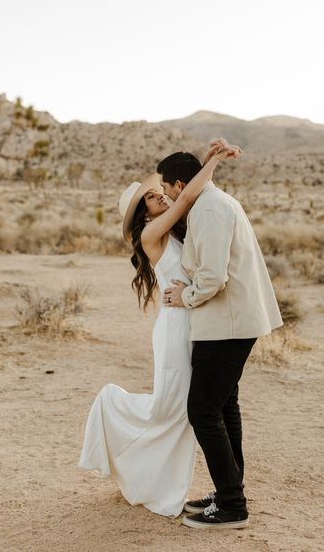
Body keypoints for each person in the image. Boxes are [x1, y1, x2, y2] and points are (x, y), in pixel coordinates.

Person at [77, 141, 239, 518]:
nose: (159, 198)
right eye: (150, 198)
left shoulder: (176, 232)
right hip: (175, 328)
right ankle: (113, 410)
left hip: (192, 320)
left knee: (186, 411)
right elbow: (183, 200)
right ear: (142, 213)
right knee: (174, 409)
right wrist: (212, 162)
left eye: (157, 191)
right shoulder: (151, 235)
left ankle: (177, 484)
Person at [159, 148, 283, 530]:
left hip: (226, 324)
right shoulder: (215, 202)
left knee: (203, 410)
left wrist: (185, 296)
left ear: (181, 184)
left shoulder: (209, 209)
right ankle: (230, 489)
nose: (167, 197)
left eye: (167, 190)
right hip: (231, 322)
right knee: (225, 407)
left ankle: (232, 506)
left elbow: (213, 277)